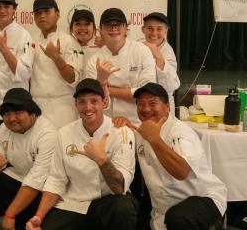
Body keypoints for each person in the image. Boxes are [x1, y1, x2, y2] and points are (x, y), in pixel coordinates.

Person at [26, 78, 138, 230]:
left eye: (94, 101)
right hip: (75, 204)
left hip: (109, 201)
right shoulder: (64, 133)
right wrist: (38, 217)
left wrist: (102, 160)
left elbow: (119, 188)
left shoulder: (121, 132)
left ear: (104, 103)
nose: (88, 107)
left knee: (123, 207)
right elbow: (56, 179)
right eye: (82, 101)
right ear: (76, 105)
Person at [113, 82, 227, 230]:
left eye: (153, 103)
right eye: (141, 104)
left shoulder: (180, 132)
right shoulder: (142, 132)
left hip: (202, 199)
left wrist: (154, 139)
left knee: (179, 217)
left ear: (168, 107)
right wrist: (122, 126)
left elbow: (182, 171)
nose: (146, 109)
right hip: (163, 209)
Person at [0, 88, 56, 230]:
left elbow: (37, 179)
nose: (11, 119)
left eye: (18, 113)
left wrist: (10, 215)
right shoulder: (3, 128)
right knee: (1, 180)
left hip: (43, 189)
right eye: (7, 114)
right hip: (19, 180)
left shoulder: (47, 133)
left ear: (33, 112)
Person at [85, 7, 156, 125]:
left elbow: (145, 96)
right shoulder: (94, 60)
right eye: (108, 24)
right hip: (107, 123)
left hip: (138, 121)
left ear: (125, 28)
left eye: (118, 24)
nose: (114, 28)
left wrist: (104, 85)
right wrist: (103, 84)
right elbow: (94, 103)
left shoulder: (141, 51)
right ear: (100, 30)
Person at [0, 0, 34, 149]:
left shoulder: (23, 35)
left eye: (7, 6)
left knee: (15, 152)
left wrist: (4, 49)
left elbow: (24, 73)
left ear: (14, 9)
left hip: (15, 107)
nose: (2, 10)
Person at [30, 0, 82, 128]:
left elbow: (73, 79)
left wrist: (56, 58)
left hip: (63, 106)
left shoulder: (70, 42)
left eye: (47, 11)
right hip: (37, 105)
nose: (42, 16)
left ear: (57, 14)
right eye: (38, 13)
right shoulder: (31, 42)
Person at [140, 12, 180, 116]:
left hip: (162, 107)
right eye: (150, 28)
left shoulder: (168, 52)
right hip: (142, 105)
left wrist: (157, 54)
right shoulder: (138, 46)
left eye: (159, 29)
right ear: (143, 29)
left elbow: (171, 86)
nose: (154, 33)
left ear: (166, 30)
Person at [70, 9, 104, 75]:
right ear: (71, 28)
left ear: (94, 28)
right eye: (78, 24)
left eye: (87, 24)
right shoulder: (67, 45)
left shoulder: (103, 45)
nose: (82, 28)